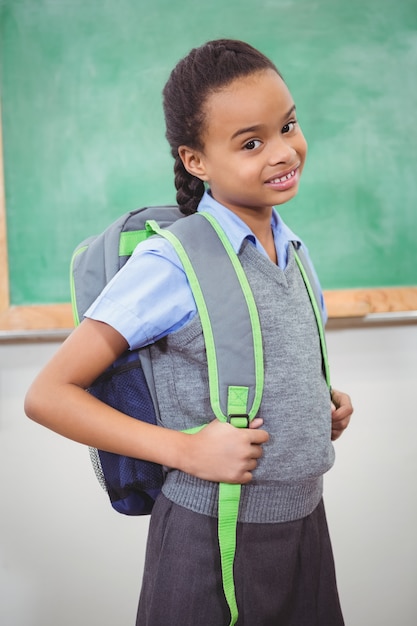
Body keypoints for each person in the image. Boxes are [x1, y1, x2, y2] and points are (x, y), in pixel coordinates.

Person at [25, 39, 353, 625]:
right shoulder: (173, 263)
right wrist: (185, 450)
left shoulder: (294, 249)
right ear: (196, 160)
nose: (283, 152)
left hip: (305, 523)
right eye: (252, 142)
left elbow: (261, 359)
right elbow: (48, 395)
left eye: (289, 126)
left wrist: (317, 403)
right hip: (213, 534)